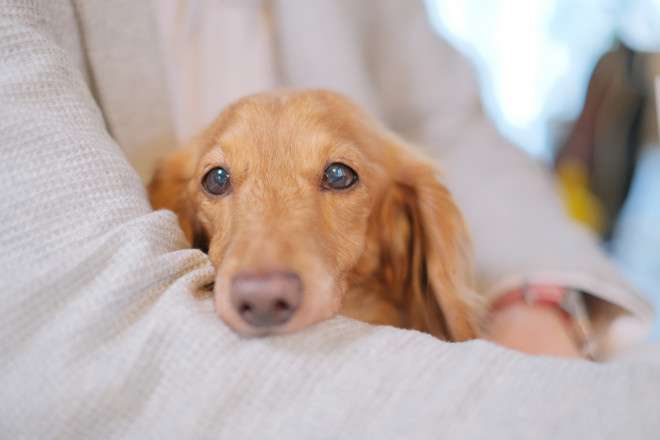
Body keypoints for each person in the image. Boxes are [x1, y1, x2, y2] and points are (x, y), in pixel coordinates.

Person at [1, 0, 657, 438]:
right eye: (219, 180)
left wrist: (535, 299)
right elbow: (85, 317)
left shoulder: (409, 203)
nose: (264, 274)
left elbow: (446, 123)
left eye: (337, 176)